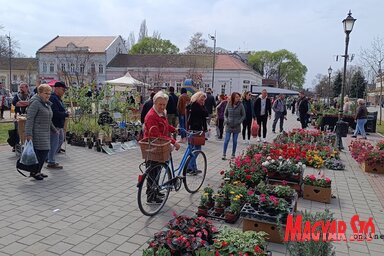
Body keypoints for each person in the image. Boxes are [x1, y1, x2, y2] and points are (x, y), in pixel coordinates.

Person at [144, 91, 180, 204]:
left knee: (158, 170)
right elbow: (157, 135)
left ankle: (156, 190)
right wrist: (174, 142)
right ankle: (150, 196)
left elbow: (164, 126)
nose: (162, 107)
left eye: (164, 104)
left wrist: (173, 129)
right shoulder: (151, 116)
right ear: (154, 102)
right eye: (160, 104)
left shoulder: (162, 112)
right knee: (152, 172)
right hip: (153, 146)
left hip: (160, 145)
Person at [25, 84, 57, 180]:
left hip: (45, 132)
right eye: (46, 93)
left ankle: (37, 171)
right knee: (41, 152)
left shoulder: (45, 103)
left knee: (43, 152)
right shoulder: (35, 103)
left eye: (49, 93)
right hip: (37, 133)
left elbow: (48, 119)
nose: (48, 95)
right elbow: (29, 119)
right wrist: (28, 134)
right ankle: (35, 172)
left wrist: (54, 129)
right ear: (39, 93)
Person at [47, 82, 69, 169]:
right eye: (63, 89)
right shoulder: (53, 98)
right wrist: (65, 114)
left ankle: (49, 157)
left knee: (60, 140)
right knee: (54, 143)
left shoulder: (58, 98)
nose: (64, 92)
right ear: (57, 88)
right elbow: (55, 113)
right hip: (54, 124)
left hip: (59, 124)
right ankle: (51, 161)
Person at [187, 91, 208, 173]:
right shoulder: (196, 106)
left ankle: (193, 168)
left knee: (192, 149)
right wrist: (203, 106)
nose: (203, 101)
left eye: (203, 100)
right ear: (197, 98)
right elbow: (205, 114)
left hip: (193, 129)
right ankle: (190, 166)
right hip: (196, 129)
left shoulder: (193, 105)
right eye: (201, 99)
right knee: (197, 149)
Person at [222, 92, 245, 160]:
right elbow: (225, 114)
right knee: (227, 139)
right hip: (229, 125)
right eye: (236, 97)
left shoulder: (241, 105)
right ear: (233, 97)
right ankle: (224, 154)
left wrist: (239, 121)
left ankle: (233, 154)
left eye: (238, 97)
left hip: (236, 126)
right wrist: (226, 120)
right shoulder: (229, 104)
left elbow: (243, 115)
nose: (238, 98)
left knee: (235, 140)